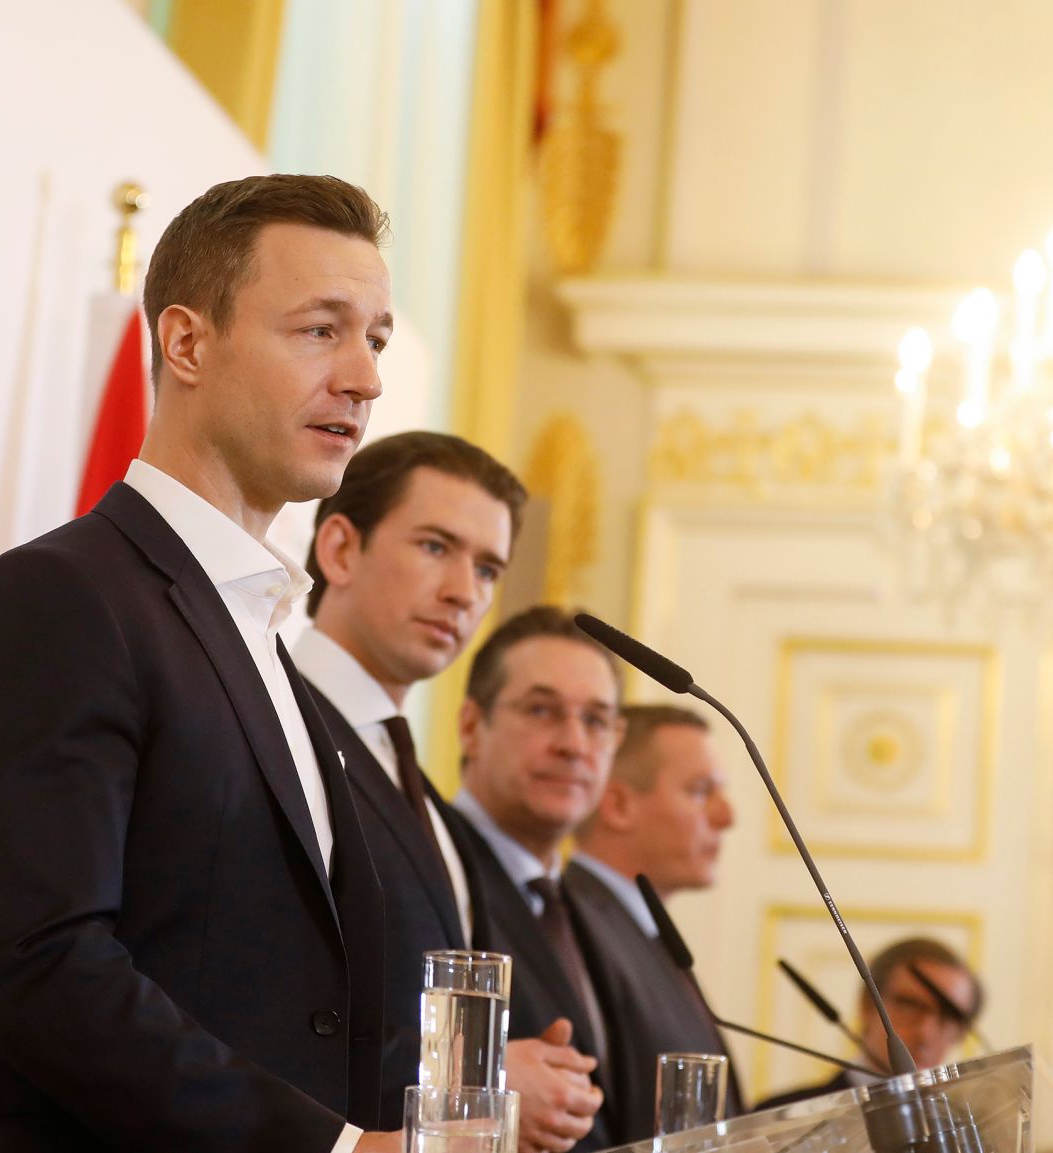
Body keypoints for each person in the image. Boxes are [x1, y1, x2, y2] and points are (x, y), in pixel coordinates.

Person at [0, 174, 409, 1151]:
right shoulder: (59, 600)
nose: (364, 377)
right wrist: (332, 1148)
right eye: (322, 329)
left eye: (376, 339)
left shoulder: (266, 637)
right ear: (185, 342)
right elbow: (39, 966)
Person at [293, 431, 604, 1149]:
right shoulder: (268, 723)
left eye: (489, 568)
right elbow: (266, 1006)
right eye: (435, 546)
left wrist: (533, 1069)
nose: (465, 591)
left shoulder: (429, 800)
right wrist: (490, 1074)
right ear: (340, 549)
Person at [450, 607, 629, 1150]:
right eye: (542, 710)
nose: (573, 744)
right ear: (470, 726)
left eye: (595, 721)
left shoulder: (596, 908)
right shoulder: (423, 863)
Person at [564, 704, 744, 1137]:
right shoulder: (571, 923)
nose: (726, 817)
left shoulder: (639, 927)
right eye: (701, 791)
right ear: (620, 804)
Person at [757, 937, 982, 1109]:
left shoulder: (975, 1128)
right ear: (867, 1004)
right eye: (910, 1005)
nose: (926, 1033)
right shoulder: (782, 1117)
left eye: (949, 1017)